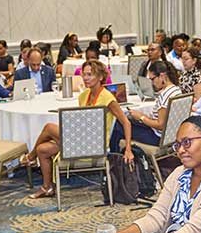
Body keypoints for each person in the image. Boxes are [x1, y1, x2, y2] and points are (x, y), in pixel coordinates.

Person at [22, 60, 134, 198]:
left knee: (49, 127)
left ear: (100, 77)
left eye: (90, 75)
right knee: (42, 149)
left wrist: (128, 149)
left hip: (96, 145)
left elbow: (126, 123)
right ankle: (47, 187)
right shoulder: (83, 96)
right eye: (84, 74)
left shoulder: (108, 98)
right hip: (81, 140)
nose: (85, 78)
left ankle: (30, 157)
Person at [110, 61, 181, 151]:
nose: (152, 83)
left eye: (152, 79)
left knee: (120, 123)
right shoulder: (176, 90)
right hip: (171, 136)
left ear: (162, 76)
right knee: (126, 121)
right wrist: (141, 116)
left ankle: (115, 154)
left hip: (157, 137)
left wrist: (141, 118)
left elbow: (160, 125)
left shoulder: (165, 95)